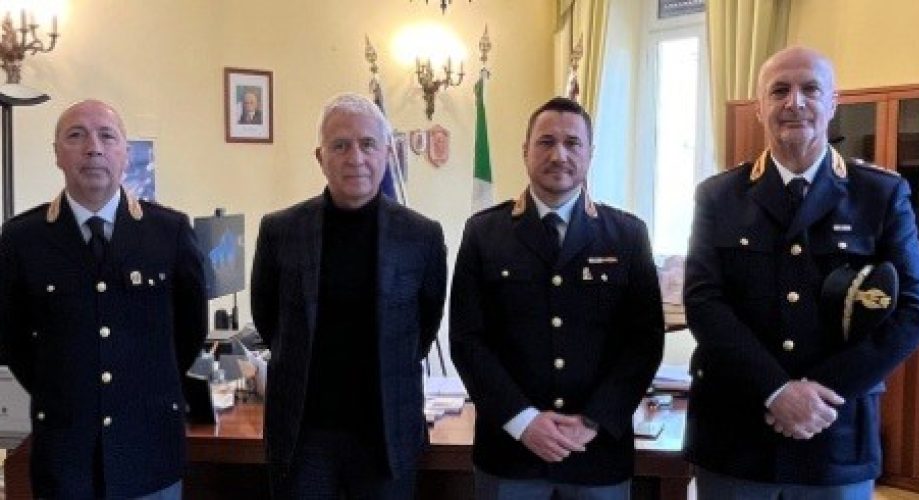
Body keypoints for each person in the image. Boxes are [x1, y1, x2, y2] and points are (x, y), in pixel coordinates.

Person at [684, 46, 919, 499]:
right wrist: (775, 391)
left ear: (833, 103)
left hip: (836, 433)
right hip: (737, 434)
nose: (794, 102)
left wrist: (818, 395)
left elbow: (914, 311)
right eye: (779, 90)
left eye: (810, 90)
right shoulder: (719, 196)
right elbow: (704, 302)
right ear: (759, 107)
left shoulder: (879, 194)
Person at [450, 97, 664, 500]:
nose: (559, 155)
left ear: (590, 154)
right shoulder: (484, 233)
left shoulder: (627, 235)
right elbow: (467, 340)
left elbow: (644, 341)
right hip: (511, 452)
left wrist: (593, 420)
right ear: (525, 151)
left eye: (572, 143)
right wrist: (523, 421)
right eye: (546, 142)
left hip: (597, 453)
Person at [0, 99, 209, 499]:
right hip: (66, 457)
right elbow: (13, 340)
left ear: (125, 154)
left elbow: (189, 332)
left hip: (149, 453)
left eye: (107, 136)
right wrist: (65, 389)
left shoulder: (170, 232)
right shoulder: (22, 239)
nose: (93, 147)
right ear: (57, 154)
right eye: (76, 135)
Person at [250, 93, 447, 499]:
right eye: (340, 145)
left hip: (385, 436)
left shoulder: (422, 236)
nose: (355, 158)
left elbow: (423, 329)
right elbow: (268, 321)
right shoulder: (280, 231)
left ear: (387, 152)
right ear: (320, 158)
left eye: (368, 144)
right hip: (304, 438)